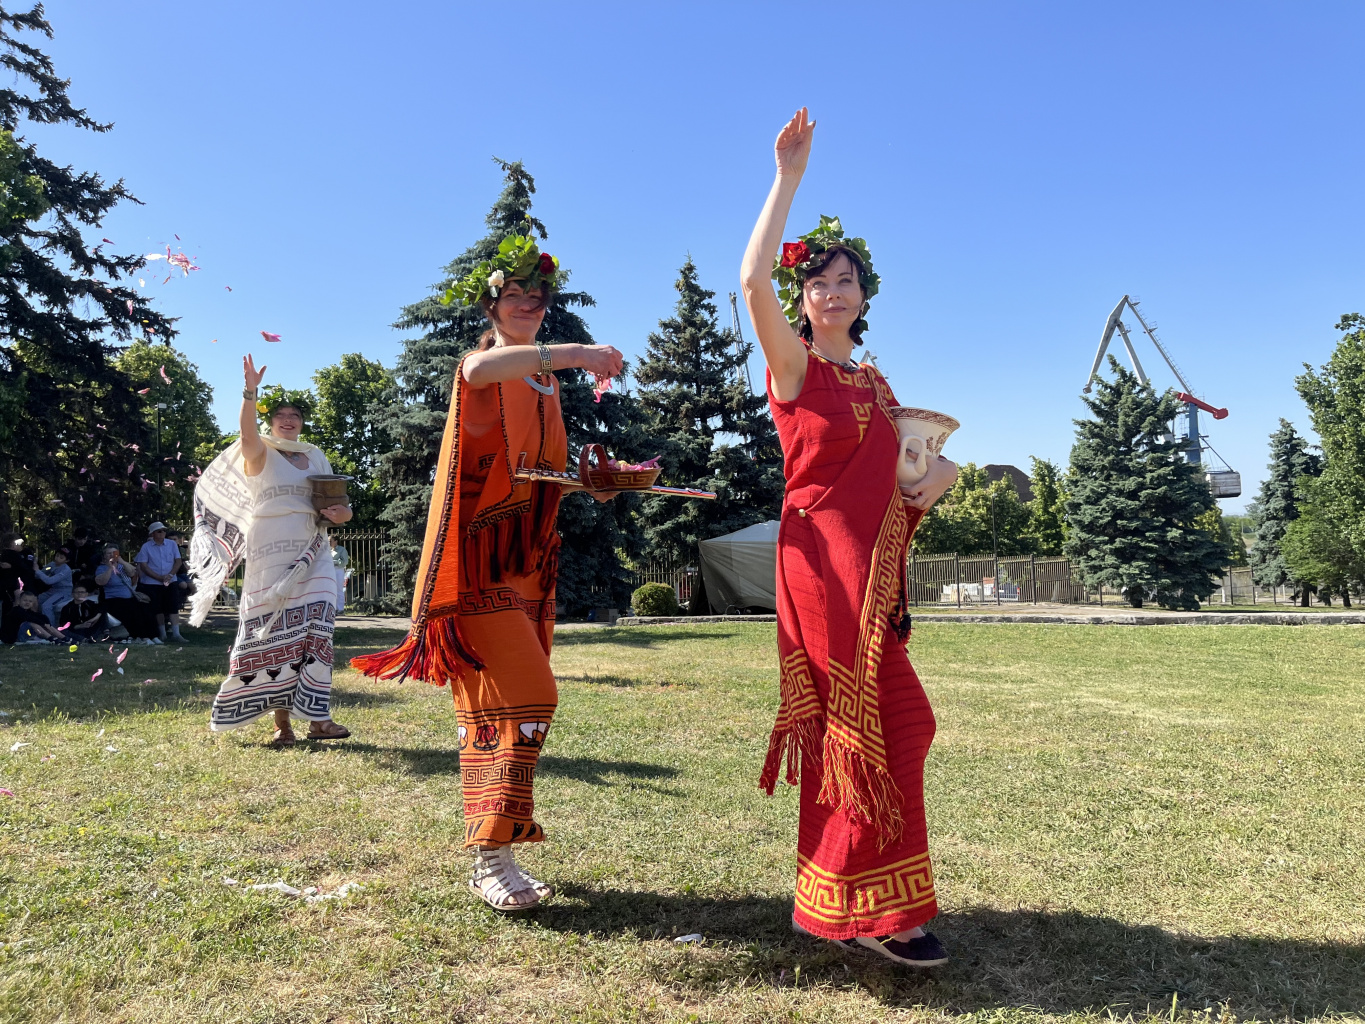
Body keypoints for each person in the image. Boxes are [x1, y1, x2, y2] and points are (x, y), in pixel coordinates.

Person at [740, 108, 960, 968]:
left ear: (865, 296)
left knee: (891, 728)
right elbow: (749, 284)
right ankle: (873, 912)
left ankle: (847, 899)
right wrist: (786, 179)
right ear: (804, 298)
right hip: (820, 574)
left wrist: (931, 484)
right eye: (818, 282)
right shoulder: (793, 366)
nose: (830, 294)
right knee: (874, 728)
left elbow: (897, 479)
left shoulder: (873, 378)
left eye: (845, 282)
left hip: (870, 575)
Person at [351, 234, 624, 911]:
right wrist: (581, 354)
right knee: (530, 697)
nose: (528, 305)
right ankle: (489, 852)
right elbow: (477, 376)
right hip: (478, 561)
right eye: (515, 296)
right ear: (492, 303)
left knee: (502, 706)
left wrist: (595, 482)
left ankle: (493, 851)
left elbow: (540, 470)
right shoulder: (487, 363)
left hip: (527, 561)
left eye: (538, 298)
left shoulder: (543, 380)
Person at [188, 364, 352, 744]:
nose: (289, 420)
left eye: (295, 415)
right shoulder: (260, 451)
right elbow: (247, 431)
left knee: (319, 629)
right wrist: (250, 393)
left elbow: (339, 504)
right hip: (270, 549)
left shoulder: (315, 455)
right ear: (272, 421)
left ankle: (319, 718)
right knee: (272, 632)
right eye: (281, 415)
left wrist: (343, 515)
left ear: (302, 422)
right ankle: (284, 725)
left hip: (313, 549)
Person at [94, 544, 160, 643]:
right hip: (113, 599)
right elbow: (102, 582)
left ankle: (153, 636)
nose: (112, 555)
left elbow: (132, 573)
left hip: (129, 597)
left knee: (146, 609)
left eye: (114, 553)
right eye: (109, 553)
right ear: (104, 556)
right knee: (133, 611)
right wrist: (111, 568)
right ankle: (143, 637)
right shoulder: (101, 568)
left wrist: (122, 562)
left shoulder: (122, 566)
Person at [135, 522, 186, 642]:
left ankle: (176, 634)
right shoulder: (146, 547)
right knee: (158, 609)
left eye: (163, 530)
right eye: (159, 531)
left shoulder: (172, 544)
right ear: (152, 533)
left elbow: (178, 561)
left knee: (173, 607)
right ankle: (162, 633)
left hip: (170, 580)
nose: (162, 533)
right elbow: (144, 565)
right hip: (152, 582)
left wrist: (170, 575)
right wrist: (158, 577)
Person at [36, 548, 74, 626]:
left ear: (66, 560)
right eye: (57, 556)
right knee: (36, 600)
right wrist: (37, 570)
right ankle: (37, 624)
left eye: (61, 557)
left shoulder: (66, 570)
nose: (57, 558)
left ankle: (51, 628)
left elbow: (49, 581)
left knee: (46, 606)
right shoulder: (52, 565)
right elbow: (39, 574)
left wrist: (37, 571)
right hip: (53, 590)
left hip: (63, 592)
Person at [329, 534, 349, 613]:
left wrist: (334, 562)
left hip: (338, 570)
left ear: (336, 541)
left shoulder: (342, 550)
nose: (329, 542)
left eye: (331, 541)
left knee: (339, 589)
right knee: (331, 590)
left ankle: (340, 609)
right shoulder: (328, 550)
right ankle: (332, 608)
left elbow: (345, 562)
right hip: (330, 570)